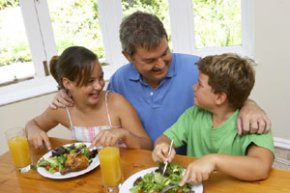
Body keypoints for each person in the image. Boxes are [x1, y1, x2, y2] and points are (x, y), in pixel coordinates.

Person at [50, 11, 271, 153]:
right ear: (128, 56)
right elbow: (98, 103)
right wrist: (65, 94)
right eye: (149, 60)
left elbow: (229, 93)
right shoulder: (119, 79)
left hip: (189, 160)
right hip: (147, 162)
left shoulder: (195, 67)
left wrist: (251, 105)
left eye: (165, 53)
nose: (161, 64)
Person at [152, 53, 274, 184]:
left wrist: (214, 160)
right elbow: (166, 138)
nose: (193, 87)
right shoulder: (193, 114)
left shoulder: (253, 122)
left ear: (220, 98)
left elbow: (261, 168)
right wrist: (162, 146)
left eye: (199, 84)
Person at [25, 46, 152, 151]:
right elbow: (33, 124)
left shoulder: (116, 103)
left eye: (101, 78)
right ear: (68, 83)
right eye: (90, 81)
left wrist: (124, 134)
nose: (98, 86)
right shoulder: (63, 108)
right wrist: (33, 130)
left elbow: (147, 146)